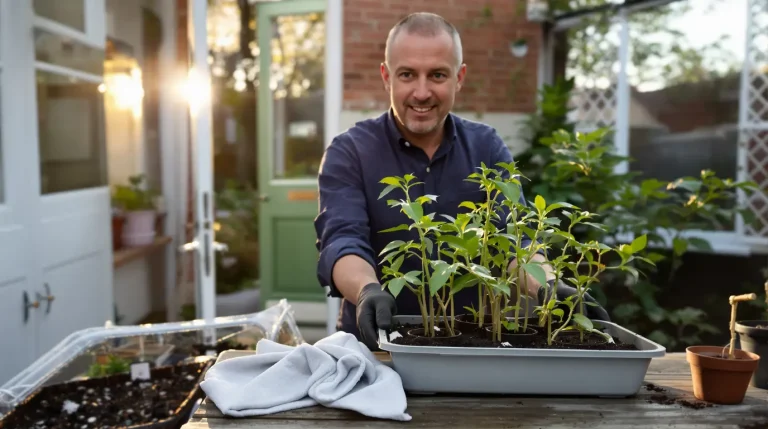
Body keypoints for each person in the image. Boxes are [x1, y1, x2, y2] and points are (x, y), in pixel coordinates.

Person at [314, 12, 609, 350]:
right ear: (386, 77)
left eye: (437, 75)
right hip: (373, 347)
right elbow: (342, 239)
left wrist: (551, 288)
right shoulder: (350, 151)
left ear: (459, 78)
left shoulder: (486, 147)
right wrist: (367, 290)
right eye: (407, 74)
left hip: (469, 346)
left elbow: (516, 240)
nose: (421, 92)